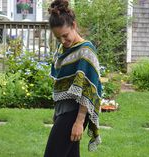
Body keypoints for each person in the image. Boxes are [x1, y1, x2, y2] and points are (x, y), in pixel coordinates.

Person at [43, 0, 102, 157]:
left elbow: (88, 89)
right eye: (58, 38)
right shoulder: (63, 49)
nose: (63, 41)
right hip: (64, 113)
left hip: (74, 114)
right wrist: (58, 112)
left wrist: (79, 122)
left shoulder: (86, 51)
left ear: (74, 26)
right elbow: (62, 83)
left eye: (65, 35)